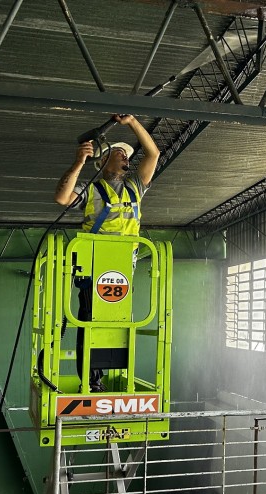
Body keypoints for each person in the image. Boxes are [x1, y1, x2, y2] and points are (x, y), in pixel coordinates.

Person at [54, 113, 160, 392]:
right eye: (119, 154)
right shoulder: (92, 190)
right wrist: (79, 163)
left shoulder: (135, 188)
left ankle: (105, 373)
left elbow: (153, 153)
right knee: (89, 320)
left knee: (116, 321)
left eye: (126, 156)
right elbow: (62, 197)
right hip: (93, 266)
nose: (126, 159)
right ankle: (90, 381)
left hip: (125, 268)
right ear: (102, 162)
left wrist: (133, 123)